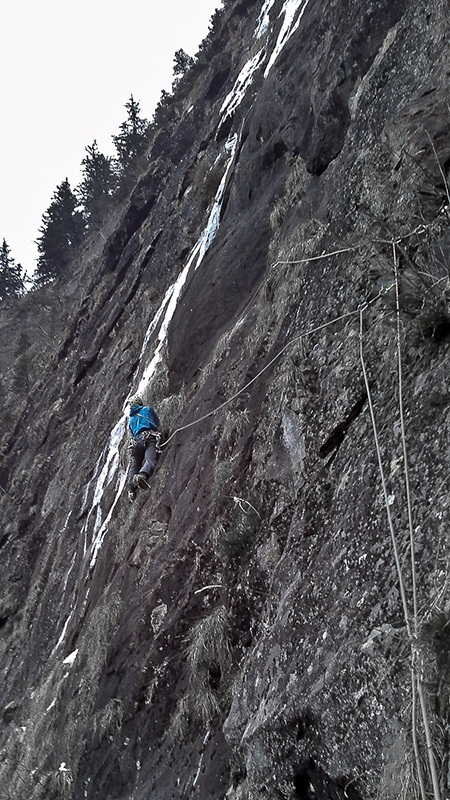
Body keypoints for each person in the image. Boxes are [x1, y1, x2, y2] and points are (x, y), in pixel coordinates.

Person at [126, 396, 160, 502]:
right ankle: (142, 475)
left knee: (135, 464)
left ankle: (131, 488)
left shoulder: (130, 419)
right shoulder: (146, 410)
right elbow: (156, 422)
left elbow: (132, 433)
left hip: (136, 443)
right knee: (151, 460)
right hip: (149, 437)